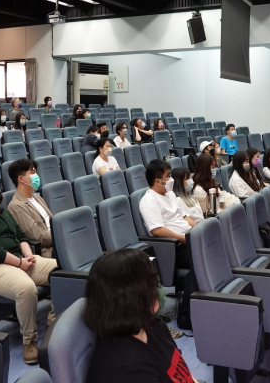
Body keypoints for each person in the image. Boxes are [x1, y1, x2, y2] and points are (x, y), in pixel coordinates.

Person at [0, 175, 57, 364]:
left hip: (20, 259)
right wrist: (20, 263)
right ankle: (29, 341)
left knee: (64, 272)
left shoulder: (2, 212)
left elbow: (21, 236)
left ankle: (54, 322)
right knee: (26, 288)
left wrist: (28, 255)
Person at [84, 249, 199, 383]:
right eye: (153, 284)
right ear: (132, 297)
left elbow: (183, 373)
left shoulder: (154, 324)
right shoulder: (129, 370)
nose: (158, 290)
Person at [140, 159, 198, 330]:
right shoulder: (148, 201)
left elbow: (184, 217)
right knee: (201, 263)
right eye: (168, 176)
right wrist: (183, 238)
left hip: (188, 239)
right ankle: (187, 316)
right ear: (158, 181)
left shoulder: (170, 194)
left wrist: (199, 229)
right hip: (174, 248)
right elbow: (157, 230)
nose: (171, 179)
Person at [7, 158, 55, 258]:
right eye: (33, 173)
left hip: (58, 242)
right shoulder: (16, 206)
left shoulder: (38, 198)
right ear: (21, 179)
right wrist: (61, 233)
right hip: (48, 250)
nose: (36, 176)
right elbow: (38, 237)